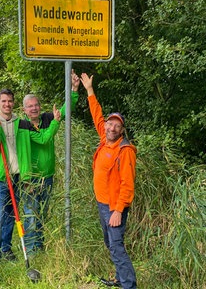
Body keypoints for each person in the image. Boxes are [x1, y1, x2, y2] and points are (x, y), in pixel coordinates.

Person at [0, 88, 61, 260]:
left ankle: (6, 249)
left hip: (19, 178)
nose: (7, 104)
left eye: (10, 101)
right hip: (1, 178)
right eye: (3, 101)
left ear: (14, 103)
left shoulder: (23, 124)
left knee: (12, 216)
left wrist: (55, 121)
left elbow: (42, 139)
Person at [80, 72, 138, 289]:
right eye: (109, 124)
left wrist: (118, 210)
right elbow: (97, 115)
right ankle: (119, 278)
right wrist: (89, 91)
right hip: (102, 203)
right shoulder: (106, 140)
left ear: (122, 130)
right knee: (110, 243)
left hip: (114, 207)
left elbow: (127, 184)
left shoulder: (125, 151)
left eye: (116, 126)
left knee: (116, 246)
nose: (111, 128)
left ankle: (129, 285)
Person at [21, 71, 80, 254]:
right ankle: (31, 250)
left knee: (42, 214)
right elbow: (44, 139)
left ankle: (39, 246)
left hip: (47, 177)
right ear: (24, 110)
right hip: (31, 179)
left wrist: (74, 90)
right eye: (30, 106)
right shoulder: (23, 126)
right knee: (31, 215)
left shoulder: (48, 118)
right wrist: (55, 122)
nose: (34, 108)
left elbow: (65, 110)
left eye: (36, 105)